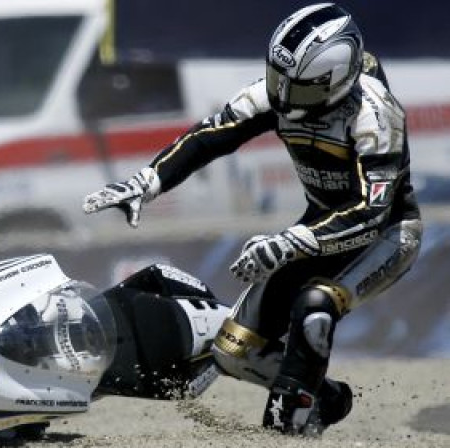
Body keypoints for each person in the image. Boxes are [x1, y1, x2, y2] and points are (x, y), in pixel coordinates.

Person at [82, 3, 422, 435]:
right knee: (233, 352)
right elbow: (211, 136)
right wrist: (150, 179)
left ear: (333, 83)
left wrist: (289, 242)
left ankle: (288, 431)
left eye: (295, 86)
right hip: (317, 226)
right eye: (277, 77)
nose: (280, 95)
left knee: (315, 307)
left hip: (388, 236)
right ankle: (327, 397)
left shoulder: (377, 116)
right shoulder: (278, 93)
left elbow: (374, 213)